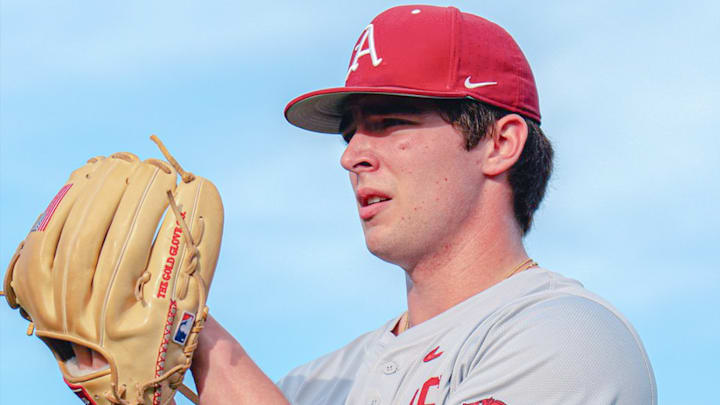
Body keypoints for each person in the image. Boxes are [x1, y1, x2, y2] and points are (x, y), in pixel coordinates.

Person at [191, 4, 658, 404]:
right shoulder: (312, 386)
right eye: (350, 132)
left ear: (500, 144)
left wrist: (204, 340)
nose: (352, 155)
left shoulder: (569, 338)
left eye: (391, 122)